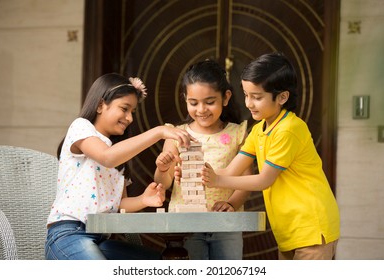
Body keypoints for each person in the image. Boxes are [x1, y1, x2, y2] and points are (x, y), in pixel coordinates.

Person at [199, 52, 340, 260]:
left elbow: (264, 180)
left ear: (282, 97)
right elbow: (231, 171)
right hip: (289, 231)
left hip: (311, 228)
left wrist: (217, 180)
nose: (248, 103)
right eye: (246, 95)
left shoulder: (289, 129)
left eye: (256, 97)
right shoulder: (259, 130)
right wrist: (194, 173)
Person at [45, 73, 194, 260]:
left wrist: (144, 199)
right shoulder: (81, 127)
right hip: (67, 235)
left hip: (99, 238)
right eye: (124, 109)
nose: (130, 118)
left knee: (159, 263)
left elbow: (118, 204)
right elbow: (107, 158)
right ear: (100, 105)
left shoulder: (119, 152)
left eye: (132, 112)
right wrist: (158, 132)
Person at [154, 60, 252, 260]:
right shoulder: (176, 134)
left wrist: (231, 204)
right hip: (185, 224)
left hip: (226, 224)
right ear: (185, 99)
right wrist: (163, 169)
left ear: (225, 98)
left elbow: (245, 181)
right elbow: (163, 184)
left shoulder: (237, 134)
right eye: (194, 103)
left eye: (209, 102)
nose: (201, 109)